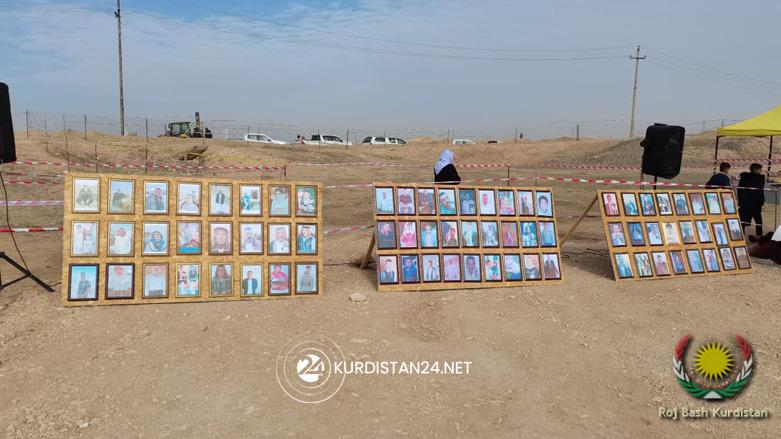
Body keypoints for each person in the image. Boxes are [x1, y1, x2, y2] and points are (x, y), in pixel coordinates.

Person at [737, 163, 766, 237]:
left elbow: (739, 190)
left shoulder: (744, 177)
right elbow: (759, 191)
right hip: (755, 204)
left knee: (742, 221)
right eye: (760, 169)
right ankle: (759, 237)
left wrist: (740, 201)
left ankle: (741, 236)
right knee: (758, 221)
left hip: (744, 203)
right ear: (755, 170)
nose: (761, 171)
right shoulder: (760, 178)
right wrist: (761, 202)